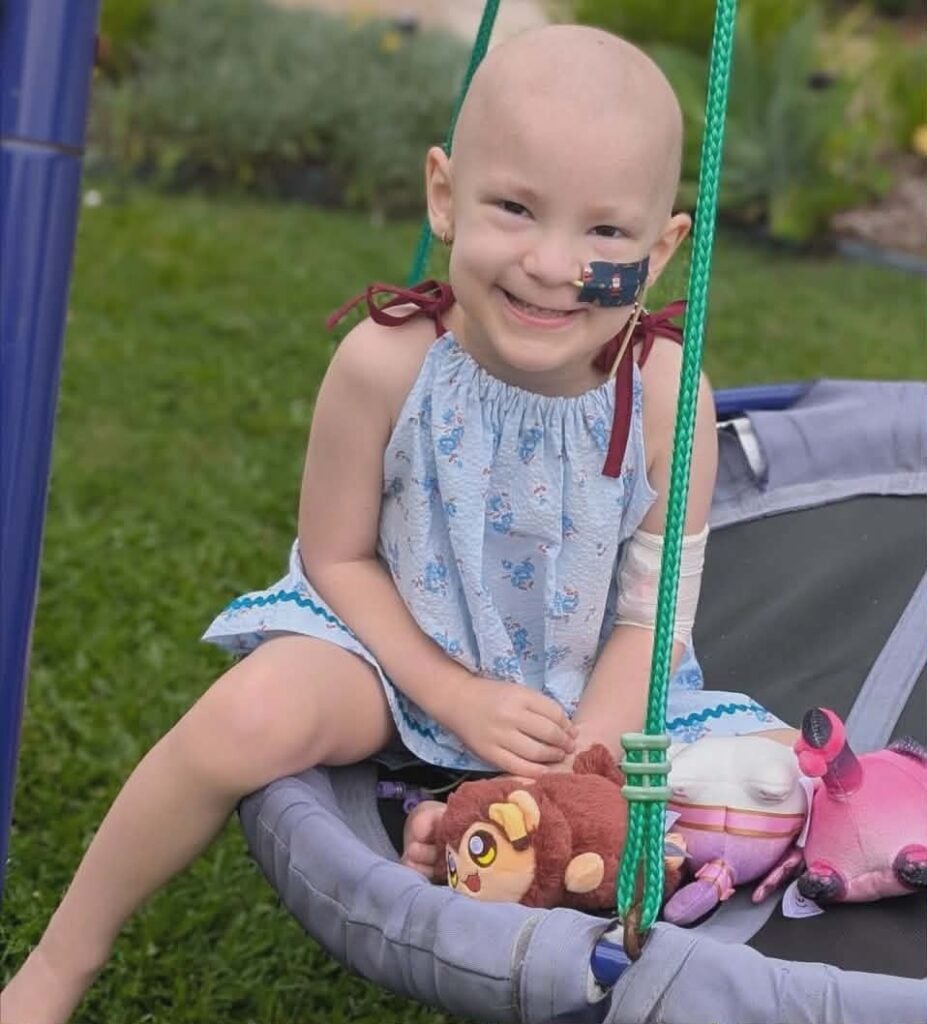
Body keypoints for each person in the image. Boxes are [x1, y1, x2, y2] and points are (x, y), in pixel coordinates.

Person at [1, 24, 796, 1024]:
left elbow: (650, 617)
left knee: (773, 783)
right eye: (515, 208)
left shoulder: (671, 400)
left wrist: (583, 763)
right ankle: (60, 961)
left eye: (605, 234)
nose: (554, 264)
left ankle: (451, 824)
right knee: (247, 713)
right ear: (444, 195)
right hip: (394, 650)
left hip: (584, 690)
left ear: (663, 248)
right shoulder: (388, 364)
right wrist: (452, 693)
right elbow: (336, 557)